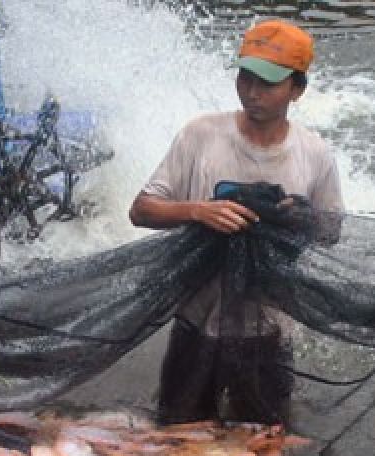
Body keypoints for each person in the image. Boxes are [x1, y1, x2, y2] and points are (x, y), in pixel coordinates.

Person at [128, 18, 344, 426]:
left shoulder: (315, 155)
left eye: (268, 82)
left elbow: (332, 231)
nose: (252, 90)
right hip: (195, 322)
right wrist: (197, 210)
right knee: (176, 438)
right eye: (246, 77)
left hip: (267, 331)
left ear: (297, 90)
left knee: (264, 443)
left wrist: (304, 219)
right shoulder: (200, 135)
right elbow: (141, 209)